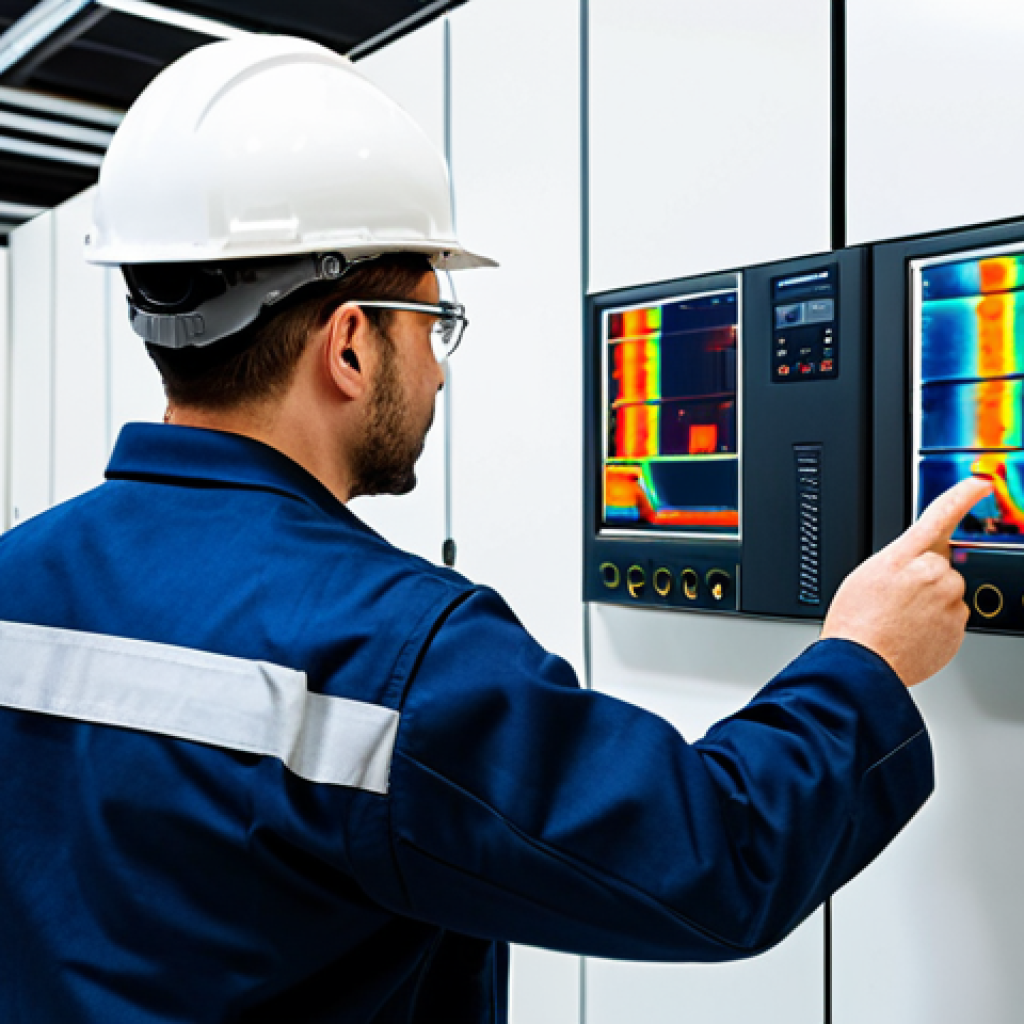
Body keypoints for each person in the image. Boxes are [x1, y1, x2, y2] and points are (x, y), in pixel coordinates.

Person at [0, 34, 991, 1024]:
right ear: (350, 344)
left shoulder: (17, 574)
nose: (437, 370)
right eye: (432, 327)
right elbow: (719, 854)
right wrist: (864, 659)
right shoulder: (387, 647)